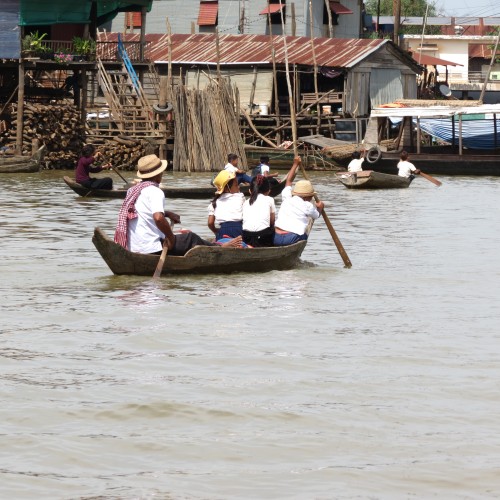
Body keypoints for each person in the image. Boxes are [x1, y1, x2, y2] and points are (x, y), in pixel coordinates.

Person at [114, 154, 242, 256]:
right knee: (191, 238)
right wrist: (170, 238)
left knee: (183, 237)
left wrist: (168, 214)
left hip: (134, 246)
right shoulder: (155, 191)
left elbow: (144, 212)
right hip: (151, 248)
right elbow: (158, 218)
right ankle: (220, 248)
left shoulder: (133, 190)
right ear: (159, 174)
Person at [274, 157, 324, 246]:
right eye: (311, 196)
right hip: (290, 238)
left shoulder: (287, 197)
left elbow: (288, 181)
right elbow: (316, 215)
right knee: (304, 235)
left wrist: (295, 164)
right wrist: (320, 207)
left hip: (275, 237)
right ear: (307, 197)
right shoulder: (308, 205)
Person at [208, 169, 245, 240]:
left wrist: (216, 231)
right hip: (238, 230)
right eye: (236, 185)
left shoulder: (214, 202)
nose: (238, 187)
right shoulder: (240, 196)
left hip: (223, 231)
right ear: (226, 188)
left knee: (217, 241)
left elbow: (210, 223)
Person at [242, 175, 276, 247]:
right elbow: (272, 221)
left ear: (250, 191)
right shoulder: (269, 199)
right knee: (274, 228)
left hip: (246, 237)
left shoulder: (246, 202)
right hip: (263, 237)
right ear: (268, 191)